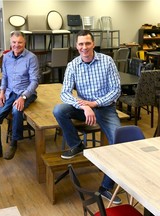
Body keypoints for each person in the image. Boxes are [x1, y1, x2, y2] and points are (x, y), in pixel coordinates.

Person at [53, 30, 122, 205]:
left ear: (93, 44)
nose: (84, 47)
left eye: (87, 43)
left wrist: (95, 104)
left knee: (119, 142)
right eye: (81, 44)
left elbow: (116, 90)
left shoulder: (107, 61)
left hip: (105, 108)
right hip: (84, 108)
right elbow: (65, 93)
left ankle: (106, 187)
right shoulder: (73, 65)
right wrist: (84, 106)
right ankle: (77, 145)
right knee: (59, 110)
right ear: (76, 46)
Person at [0, 31, 40, 161]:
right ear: (10, 43)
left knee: (17, 111)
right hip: (9, 92)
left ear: (24, 43)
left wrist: (23, 97)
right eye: (14, 42)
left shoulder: (31, 58)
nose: (16, 45)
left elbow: (35, 81)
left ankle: (14, 143)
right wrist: (1, 92)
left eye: (20, 42)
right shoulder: (6, 57)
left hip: (26, 92)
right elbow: (5, 77)